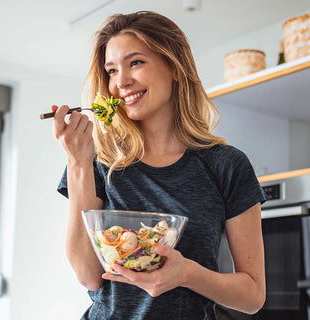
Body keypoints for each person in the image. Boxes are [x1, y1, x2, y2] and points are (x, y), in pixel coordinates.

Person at [52, 11, 267, 320]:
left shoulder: (228, 165)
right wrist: (77, 162)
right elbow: (89, 275)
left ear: (175, 67)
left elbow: (252, 296)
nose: (121, 81)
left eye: (135, 62)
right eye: (111, 70)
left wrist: (187, 274)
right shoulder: (98, 159)